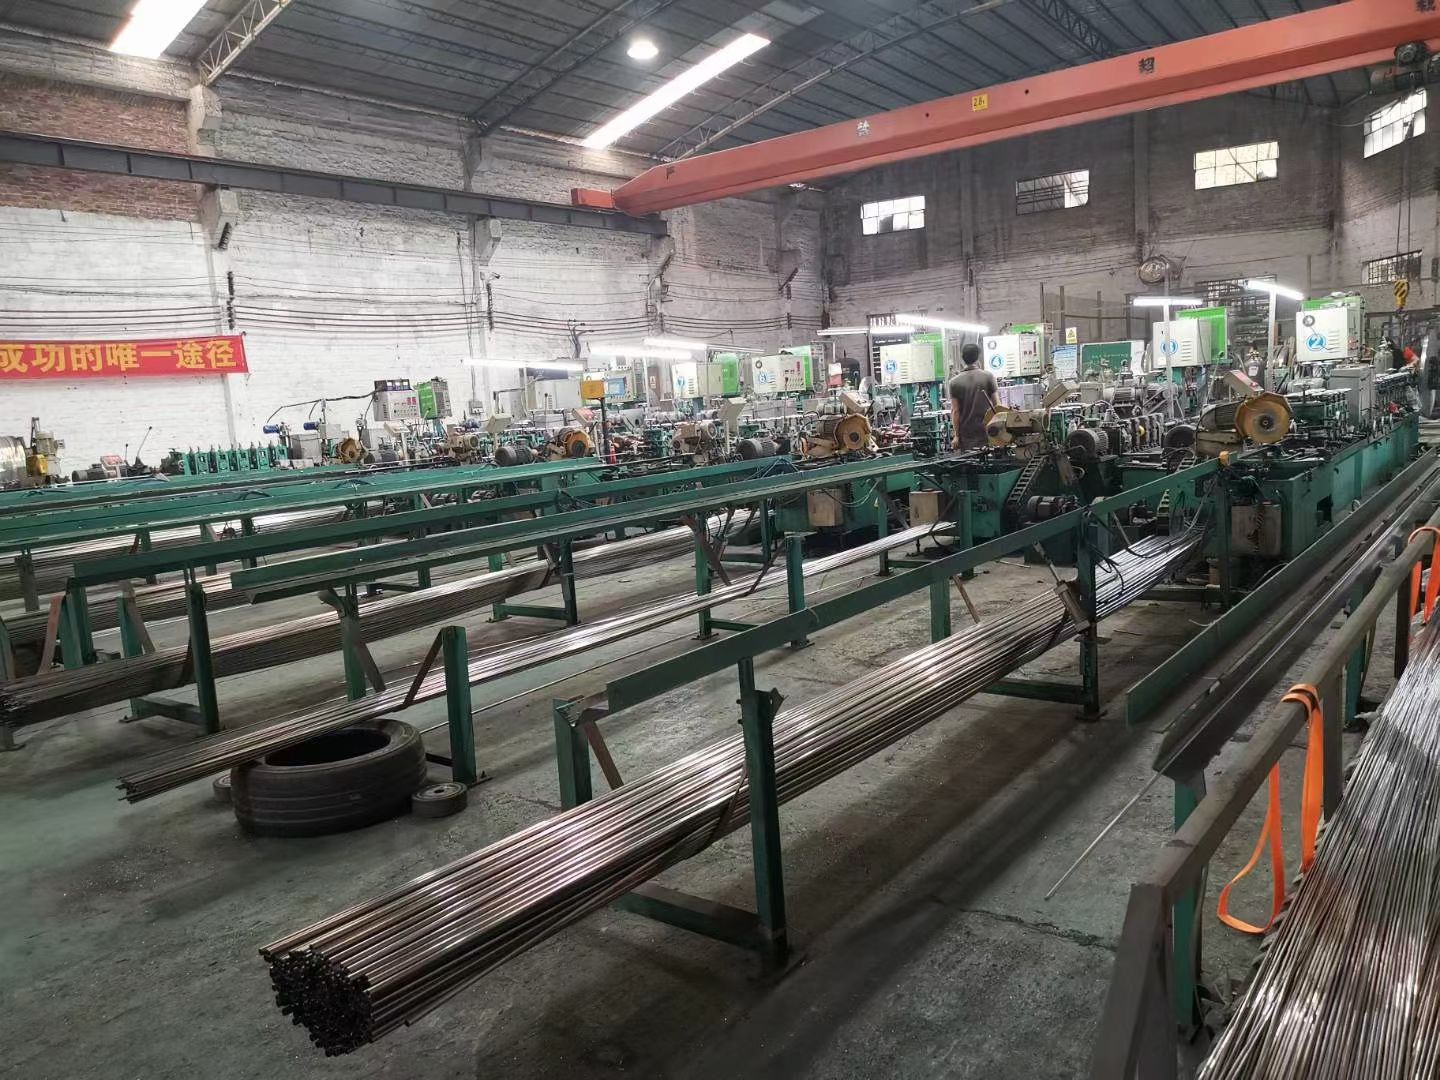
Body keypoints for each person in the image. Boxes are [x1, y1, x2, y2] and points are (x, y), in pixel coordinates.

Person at [948, 342, 1000, 450]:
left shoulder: (954, 382)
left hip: (967, 436)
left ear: (962, 358)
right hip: (988, 432)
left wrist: (956, 436)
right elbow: (997, 405)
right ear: (978, 357)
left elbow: (955, 411)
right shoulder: (988, 377)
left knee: (969, 460)